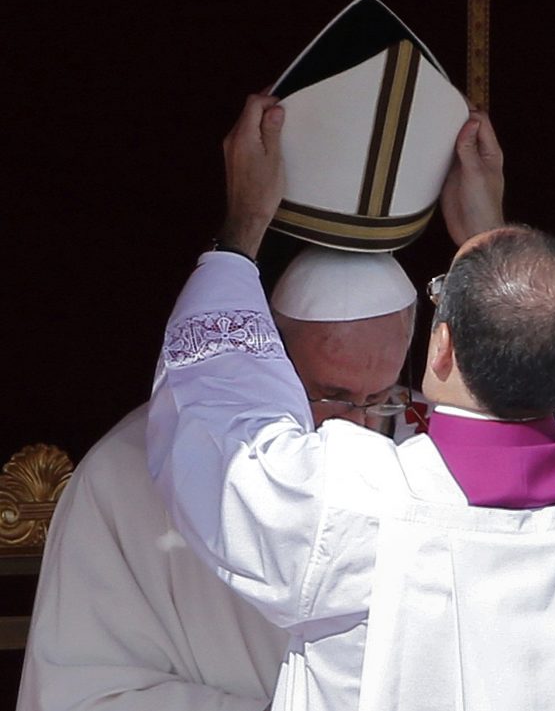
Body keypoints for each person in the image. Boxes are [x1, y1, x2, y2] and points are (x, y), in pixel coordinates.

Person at [145, 94, 555, 711]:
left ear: (440, 348)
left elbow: (218, 426)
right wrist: (493, 236)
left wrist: (241, 228)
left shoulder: (353, 509)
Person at [16, 101, 504, 711]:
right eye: (331, 396)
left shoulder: (432, 455)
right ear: (267, 361)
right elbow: (84, 695)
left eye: (380, 397)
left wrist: (488, 242)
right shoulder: (123, 475)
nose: (359, 426)